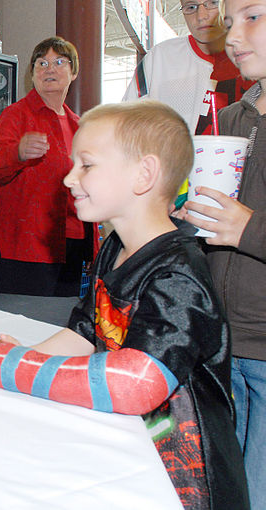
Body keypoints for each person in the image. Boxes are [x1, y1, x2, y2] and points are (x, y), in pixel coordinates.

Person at [0, 101, 249, 510]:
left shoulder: (178, 273)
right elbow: (87, 329)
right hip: (134, 456)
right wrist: (26, 353)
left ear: (144, 175)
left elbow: (135, 382)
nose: (68, 178)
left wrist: (16, 368)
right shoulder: (114, 249)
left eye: (86, 165)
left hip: (184, 482)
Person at [180, 1, 266, 506]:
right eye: (229, 22)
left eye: (252, 16)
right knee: (220, 487)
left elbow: (242, 227)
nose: (233, 34)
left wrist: (248, 229)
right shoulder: (229, 118)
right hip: (223, 343)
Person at [0, 36, 96, 297]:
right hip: (25, 246)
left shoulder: (80, 125)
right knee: (23, 328)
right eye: (41, 63)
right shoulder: (16, 115)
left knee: (60, 326)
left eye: (58, 62)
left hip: (72, 246)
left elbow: (89, 186)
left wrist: (93, 247)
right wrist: (17, 153)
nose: (49, 69)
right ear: (32, 73)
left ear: (73, 71)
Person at [123, 0, 254, 136]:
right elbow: (125, 122)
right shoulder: (160, 58)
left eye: (213, 3)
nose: (201, 15)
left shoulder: (254, 60)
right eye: (191, 7)